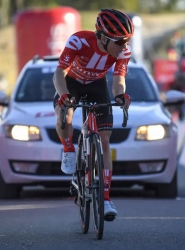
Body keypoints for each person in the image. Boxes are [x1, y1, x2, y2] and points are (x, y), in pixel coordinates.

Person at [52, 9, 134, 218]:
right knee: (65, 114)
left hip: (97, 86)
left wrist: (120, 96)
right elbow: (59, 73)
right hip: (71, 83)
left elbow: (118, 81)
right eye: (120, 41)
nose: (124, 46)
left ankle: (106, 200)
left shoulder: (123, 52)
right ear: (104, 38)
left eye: (126, 41)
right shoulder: (79, 41)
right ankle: (69, 148)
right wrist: (64, 96)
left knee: (105, 140)